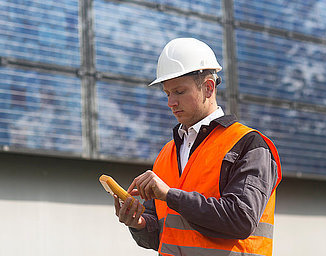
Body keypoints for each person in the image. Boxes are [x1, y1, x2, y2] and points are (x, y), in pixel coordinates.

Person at [112, 37, 282, 256]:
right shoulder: (167, 153)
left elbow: (241, 219)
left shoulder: (248, 144)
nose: (170, 102)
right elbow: (165, 237)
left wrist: (170, 195)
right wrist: (139, 224)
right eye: (167, 93)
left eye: (179, 92)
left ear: (208, 87)